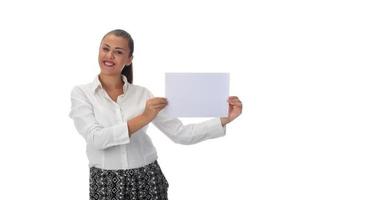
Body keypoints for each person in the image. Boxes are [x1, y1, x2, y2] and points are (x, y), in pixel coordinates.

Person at [69, 29, 242, 200]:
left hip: (148, 179)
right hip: (106, 183)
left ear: (129, 59)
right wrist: (144, 117)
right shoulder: (82, 94)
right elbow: (96, 139)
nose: (109, 56)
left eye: (118, 52)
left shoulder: (143, 95)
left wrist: (226, 118)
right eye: (105, 48)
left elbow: (181, 134)